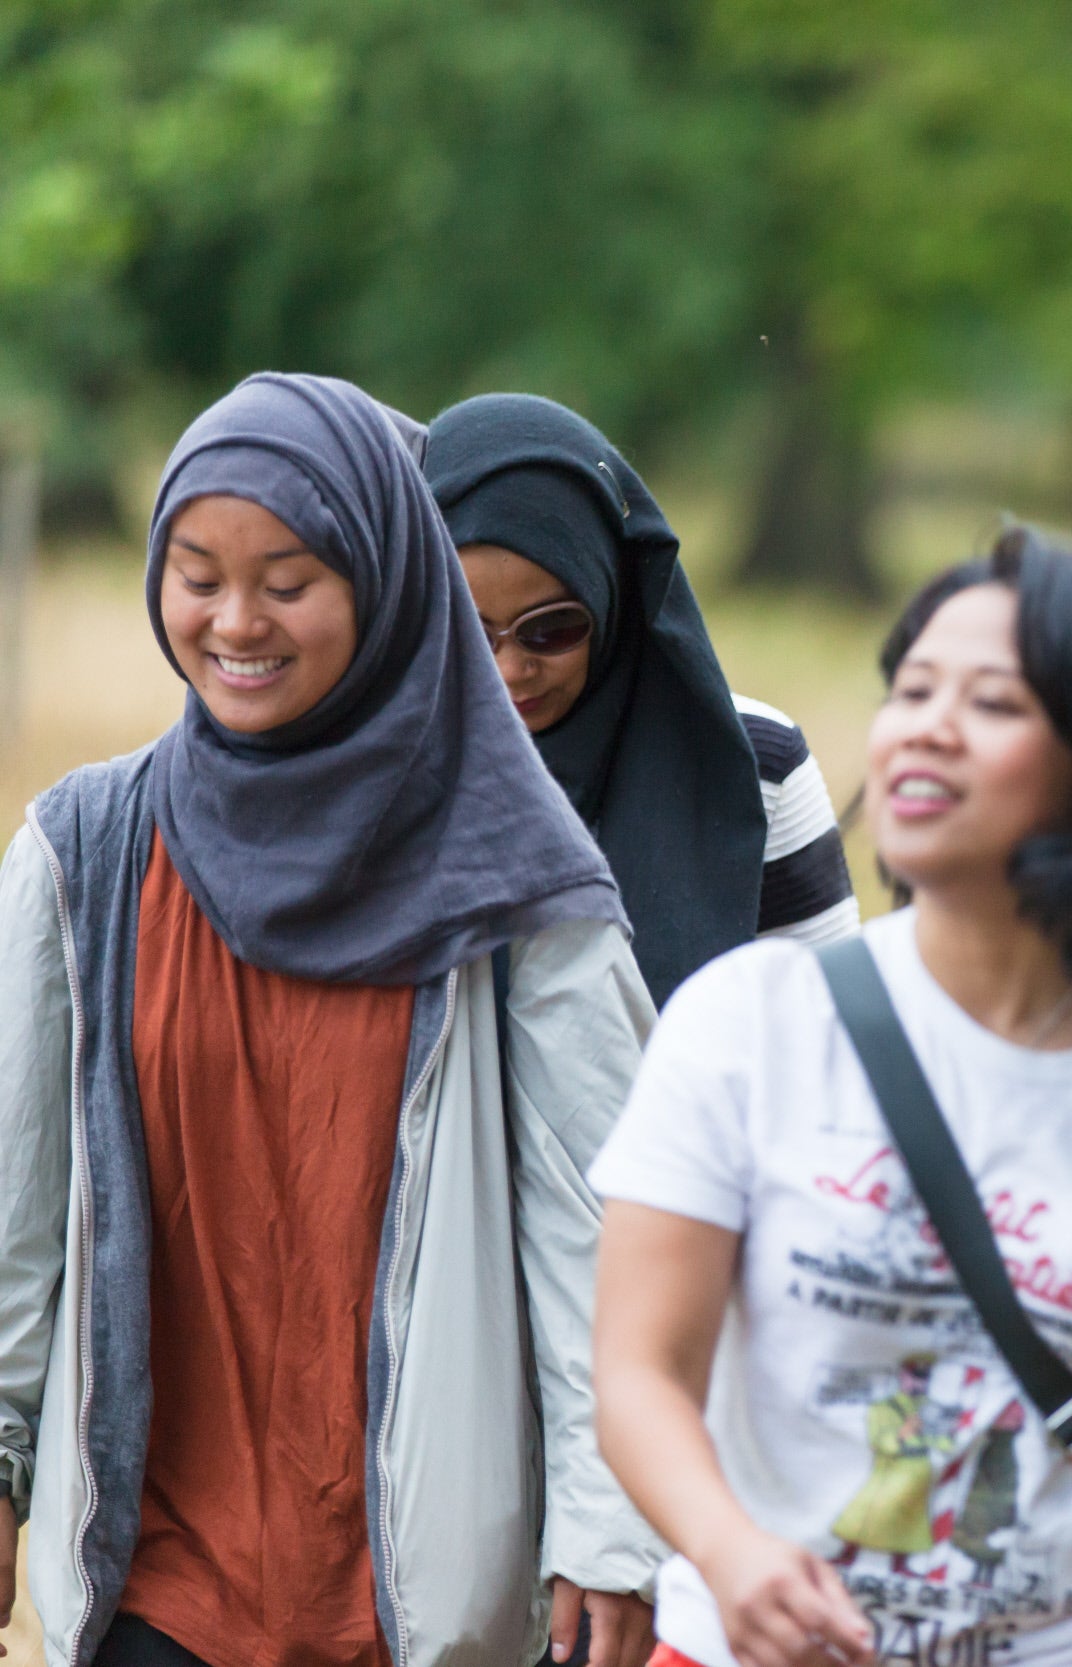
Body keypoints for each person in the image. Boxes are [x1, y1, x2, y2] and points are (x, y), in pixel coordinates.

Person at [589, 527, 1072, 1667]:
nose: (924, 724)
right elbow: (636, 1371)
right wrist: (728, 1549)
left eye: (993, 702)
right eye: (913, 688)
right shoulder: (750, 1021)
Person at [0, 373, 663, 1667]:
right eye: (197, 573)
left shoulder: (521, 881)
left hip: (419, 1604)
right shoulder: (82, 850)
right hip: (153, 1581)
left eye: (288, 578)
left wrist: (611, 1515)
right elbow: (12, 1198)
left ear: (386, 574)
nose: (235, 618)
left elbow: (606, 1232)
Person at [425, 393, 856, 1009]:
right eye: (468, 627)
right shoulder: (375, 770)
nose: (510, 669)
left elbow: (829, 1029)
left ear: (611, 602)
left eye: (551, 629)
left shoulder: (753, 763)